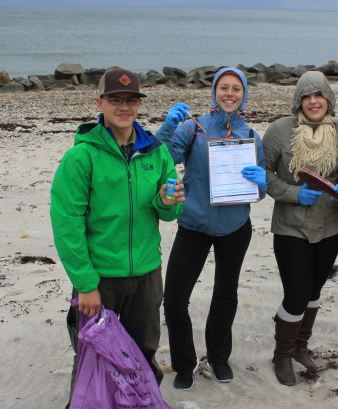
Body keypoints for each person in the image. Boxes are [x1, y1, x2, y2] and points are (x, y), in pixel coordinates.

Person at [50, 68, 185, 407]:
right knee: (92, 359)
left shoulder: (157, 152)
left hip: (146, 274)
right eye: (116, 99)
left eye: (131, 99)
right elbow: (67, 223)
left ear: (139, 104)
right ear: (100, 103)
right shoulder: (81, 157)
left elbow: (168, 212)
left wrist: (168, 202)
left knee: (143, 355)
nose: (124, 106)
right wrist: (85, 283)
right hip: (100, 279)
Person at [155, 67, 267, 390]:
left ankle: (218, 358)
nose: (230, 94)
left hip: (235, 227)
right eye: (223, 88)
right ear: (214, 92)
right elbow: (163, 159)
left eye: (236, 89)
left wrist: (263, 184)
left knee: (225, 296)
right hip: (194, 223)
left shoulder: (251, 136)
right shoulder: (194, 127)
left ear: (244, 93)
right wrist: (167, 127)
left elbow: (258, 191)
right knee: (174, 299)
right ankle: (184, 364)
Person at [262, 71, 338, 386]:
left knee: (314, 291)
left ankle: (301, 346)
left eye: (319, 96)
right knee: (296, 293)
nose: (313, 101)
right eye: (306, 96)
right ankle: (282, 355)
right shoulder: (279, 131)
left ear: (328, 99)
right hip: (291, 226)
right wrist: (294, 193)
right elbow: (264, 174)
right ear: (297, 100)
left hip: (330, 226)